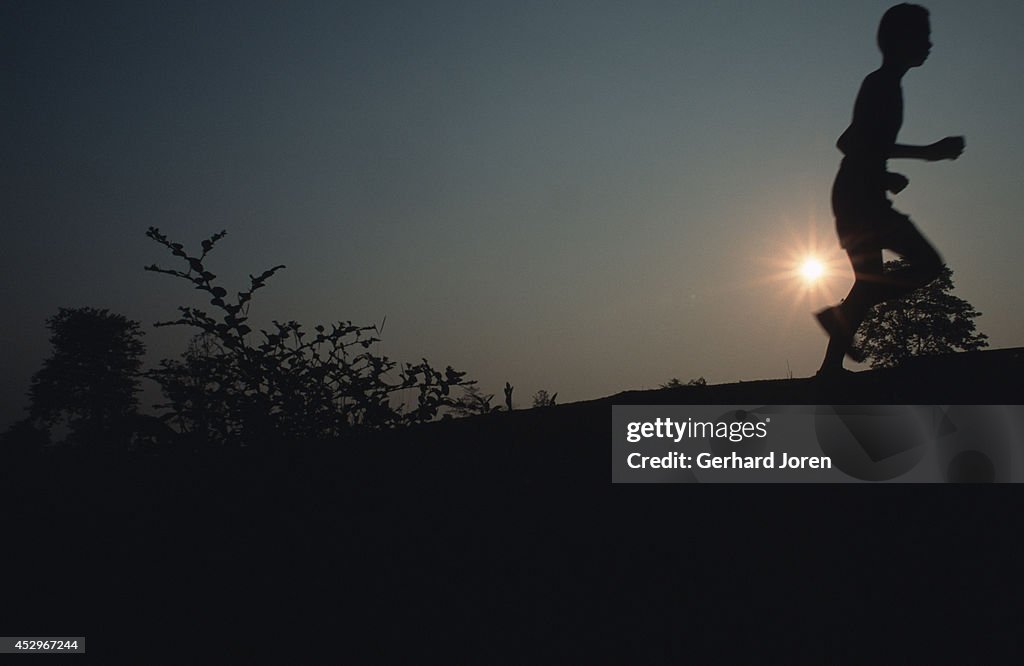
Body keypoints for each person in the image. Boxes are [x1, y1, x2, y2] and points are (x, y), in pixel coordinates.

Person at [815, 3, 965, 377]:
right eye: (923, 37)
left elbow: (854, 143)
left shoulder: (885, 84)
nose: (930, 44)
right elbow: (852, 144)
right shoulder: (881, 85)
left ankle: (831, 366)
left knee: (867, 282)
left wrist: (883, 175)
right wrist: (927, 153)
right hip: (859, 198)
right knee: (927, 266)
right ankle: (837, 326)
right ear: (900, 41)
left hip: (857, 193)